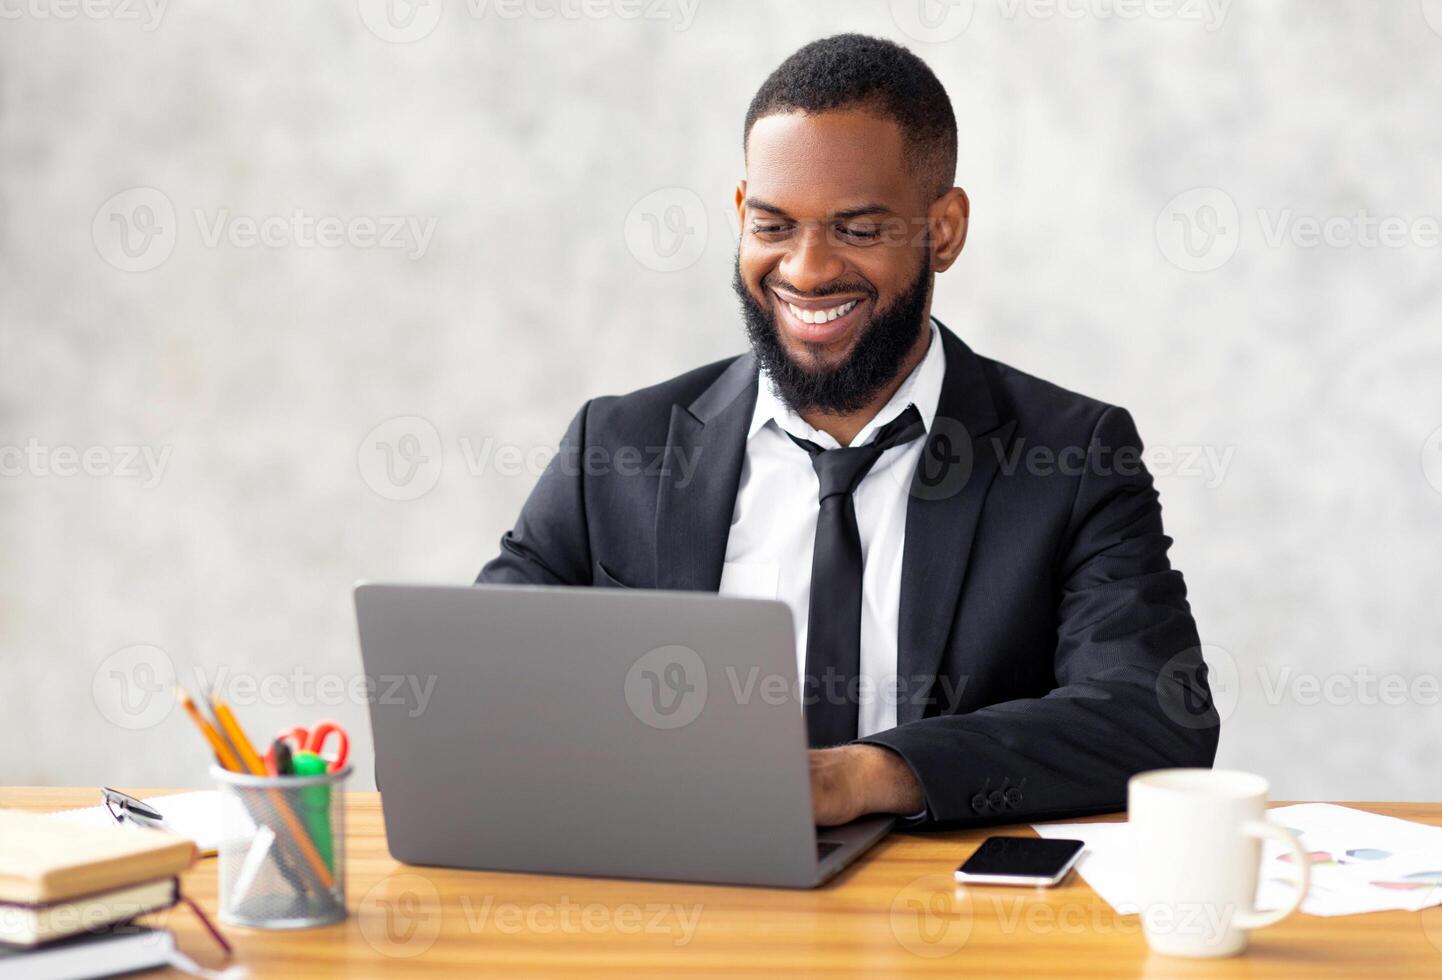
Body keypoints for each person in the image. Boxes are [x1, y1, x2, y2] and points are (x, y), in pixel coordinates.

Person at [479, 34, 1218, 827]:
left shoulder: (1073, 458)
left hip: (946, 931)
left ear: (944, 230)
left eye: (858, 231)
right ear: (739, 214)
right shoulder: (617, 448)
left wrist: (866, 776)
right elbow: (471, 702)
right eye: (772, 227)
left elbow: (1153, 716)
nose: (805, 270)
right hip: (683, 915)